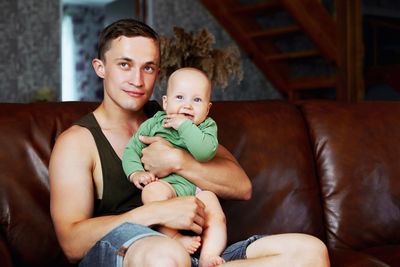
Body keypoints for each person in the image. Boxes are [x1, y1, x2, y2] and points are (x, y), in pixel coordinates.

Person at [49, 18, 330, 267]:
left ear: (158, 74)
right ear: (100, 68)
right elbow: (72, 244)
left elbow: (241, 186)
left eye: (148, 68)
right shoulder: (77, 142)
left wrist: (177, 160)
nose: (137, 79)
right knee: (166, 256)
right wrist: (157, 212)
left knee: (310, 253)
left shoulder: (177, 118)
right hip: (136, 252)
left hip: (197, 252)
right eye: (124, 65)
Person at [122, 67, 226, 267]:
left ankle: (209, 255)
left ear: (208, 108)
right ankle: (174, 237)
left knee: (217, 216)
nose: (187, 105)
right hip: (166, 183)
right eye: (180, 97)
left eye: (197, 100)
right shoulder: (154, 123)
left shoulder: (206, 127)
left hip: (197, 189)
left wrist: (184, 126)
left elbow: (205, 152)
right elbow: (132, 149)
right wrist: (135, 172)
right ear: (166, 102)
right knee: (151, 193)